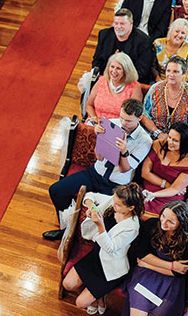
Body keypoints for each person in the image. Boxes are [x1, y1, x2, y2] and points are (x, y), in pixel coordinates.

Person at [43, 99, 152, 241]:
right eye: (122, 118)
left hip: (115, 185)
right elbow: (99, 157)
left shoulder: (144, 140)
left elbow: (125, 168)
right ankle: (67, 228)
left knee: (107, 217)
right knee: (56, 190)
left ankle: (86, 237)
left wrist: (124, 151)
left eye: (128, 121)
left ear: (139, 118)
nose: (123, 123)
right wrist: (100, 138)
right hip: (95, 173)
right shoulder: (112, 124)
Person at [121, 201, 188, 316]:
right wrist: (169, 265)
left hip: (170, 286)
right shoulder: (151, 225)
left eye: (170, 221)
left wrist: (150, 264)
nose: (163, 223)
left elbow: (179, 273)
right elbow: (142, 255)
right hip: (144, 278)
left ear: (181, 224)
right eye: (163, 216)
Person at [61, 183, 145, 314]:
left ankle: (99, 295)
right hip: (96, 255)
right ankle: (97, 295)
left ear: (130, 208)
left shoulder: (132, 227)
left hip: (111, 266)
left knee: (80, 303)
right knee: (67, 284)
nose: (113, 205)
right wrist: (92, 208)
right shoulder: (115, 201)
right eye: (114, 201)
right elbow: (90, 196)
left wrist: (100, 225)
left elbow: (110, 248)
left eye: (118, 205)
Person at [140, 123, 188, 213]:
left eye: (175, 140)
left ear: (185, 142)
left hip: (168, 198)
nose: (170, 142)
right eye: (169, 137)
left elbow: (175, 189)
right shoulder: (158, 144)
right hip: (146, 189)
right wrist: (167, 184)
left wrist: (153, 195)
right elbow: (145, 173)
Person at [142, 56, 188, 141]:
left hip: (179, 140)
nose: (171, 75)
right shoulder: (155, 89)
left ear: (184, 74)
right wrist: (158, 133)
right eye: (168, 71)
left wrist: (176, 139)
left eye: (176, 71)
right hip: (153, 137)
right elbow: (145, 116)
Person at [92, 9, 155, 84]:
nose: (118, 27)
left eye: (122, 24)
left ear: (131, 23)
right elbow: (97, 60)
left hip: (129, 81)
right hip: (106, 78)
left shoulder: (144, 41)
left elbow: (143, 70)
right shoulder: (104, 34)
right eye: (116, 23)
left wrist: (121, 81)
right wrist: (105, 78)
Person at [85, 52, 144, 122]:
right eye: (112, 67)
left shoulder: (135, 87)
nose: (114, 71)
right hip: (95, 123)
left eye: (118, 68)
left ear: (126, 71)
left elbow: (132, 116)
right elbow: (89, 105)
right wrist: (95, 118)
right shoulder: (102, 80)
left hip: (119, 127)